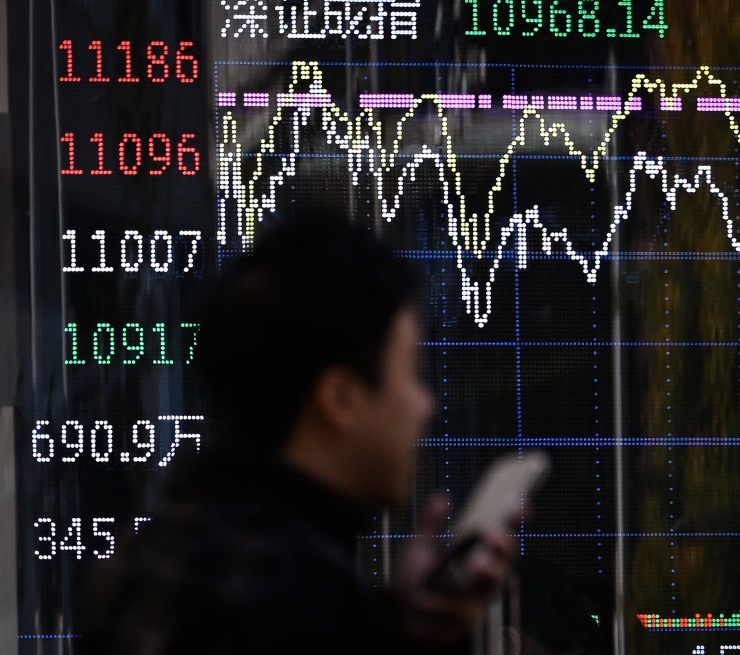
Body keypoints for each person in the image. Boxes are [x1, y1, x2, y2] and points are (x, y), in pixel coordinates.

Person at [79, 211, 511, 654]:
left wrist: (399, 622)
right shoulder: (296, 603)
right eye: (413, 373)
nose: (427, 404)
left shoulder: (141, 563)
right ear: (340, 399)